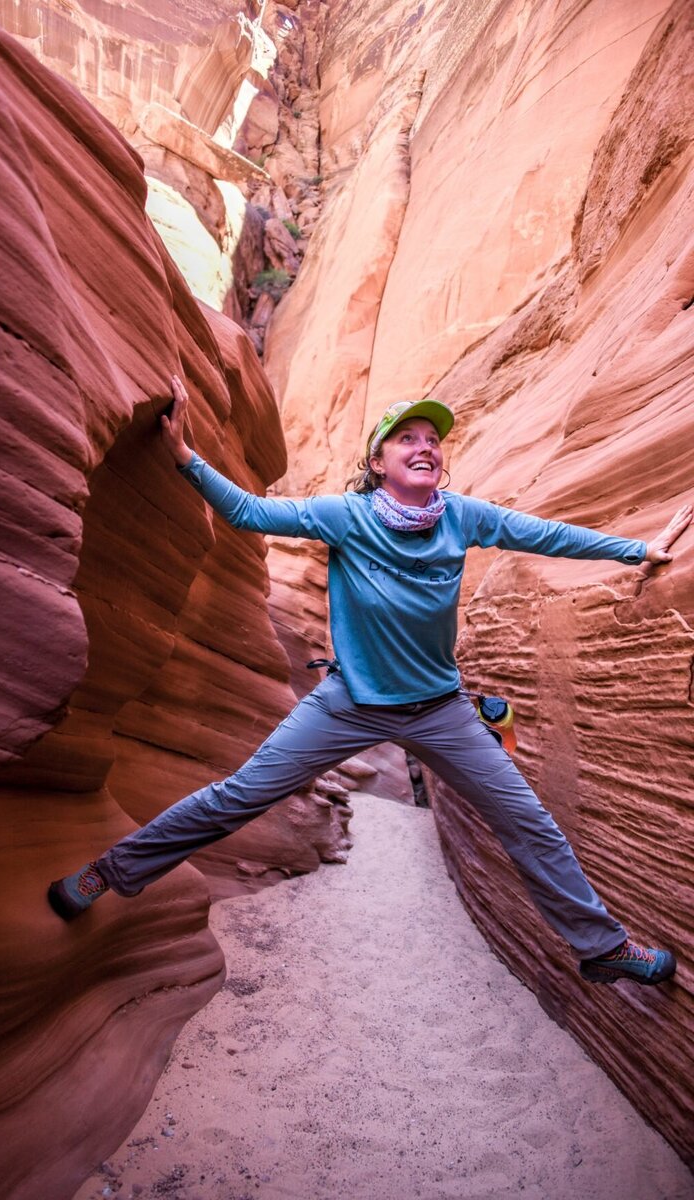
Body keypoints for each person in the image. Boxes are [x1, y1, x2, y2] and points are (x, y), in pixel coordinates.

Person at [49, 376, 692, 987]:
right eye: (407, 439)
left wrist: (636, 550)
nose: (425, 447)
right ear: (379, 462)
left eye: (433, 440)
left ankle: (602, 949)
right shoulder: (346, 516)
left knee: (529, 821)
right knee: (237, 796)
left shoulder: (460, 517)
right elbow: (247, 512)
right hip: (349, 704)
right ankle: (108, 873)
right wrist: (186, 455)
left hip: (440, 709)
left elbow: (543, 535)